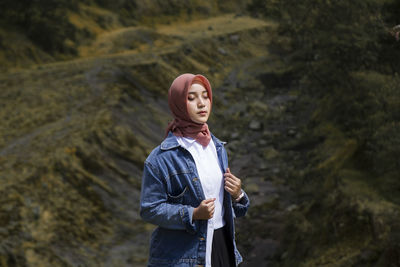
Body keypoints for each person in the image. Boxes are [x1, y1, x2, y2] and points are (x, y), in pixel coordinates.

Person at [140, 73, 250, 267]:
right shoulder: (160, 159)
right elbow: (149, 209)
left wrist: (238, 195)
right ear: (178, 104)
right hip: (184, 257)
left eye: (205, 96)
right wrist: (192, 213)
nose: (202, 103)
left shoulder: (217, 147)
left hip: (221, 247)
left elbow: (230, 209)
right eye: (191, 98)